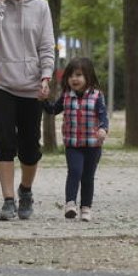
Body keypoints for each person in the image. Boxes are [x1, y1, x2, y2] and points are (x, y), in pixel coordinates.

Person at [0, 0, 55, 221]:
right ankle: (8, 200)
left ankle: (26, 190)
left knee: (30, 148)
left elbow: (47, 46)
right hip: (1, 83)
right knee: (4, 143)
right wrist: (0, 2)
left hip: (32, 86)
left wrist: (46, 76)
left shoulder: (41, 6)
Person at [44, 57, 108, 222]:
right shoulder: (66, 96)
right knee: (74, 171)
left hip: (93, 145)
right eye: (71, 75)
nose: (74, 79)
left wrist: (103, 129)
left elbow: (103, 116)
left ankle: (86, 207)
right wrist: (42, 100)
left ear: (88, 77)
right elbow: (52, 110)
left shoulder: (97, 96)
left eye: (79, 75)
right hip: (73, 144)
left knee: (88, 177)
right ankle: (70, 204)